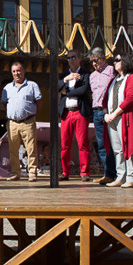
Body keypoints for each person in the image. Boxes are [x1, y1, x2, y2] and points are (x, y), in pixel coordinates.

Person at [104, 52, 133, 188]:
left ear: (125, 61)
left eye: (117, 60)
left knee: (129, 146)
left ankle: (131, 177)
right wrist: (106, 114)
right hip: (112, 118)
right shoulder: (114, 80)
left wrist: (115, 113)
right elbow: (105, 99)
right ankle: (120, 176)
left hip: (125, 117)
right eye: (114, 60)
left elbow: (131, 98)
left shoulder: (131, 78)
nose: (114, 62)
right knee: (117, 149)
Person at [1, 60, 41, 181]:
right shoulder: (7, 88)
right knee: (13, 150)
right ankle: (15, 173)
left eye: (18, 71)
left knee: (31, 148)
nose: (16, 73)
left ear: (23, 71)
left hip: (28, 121)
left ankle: (32, 172)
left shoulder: (32, 86)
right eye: (14, 71)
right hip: (12, 123)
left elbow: (39, 102)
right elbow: (4, 104)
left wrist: (31, 114)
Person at [58, 49, 93, 181]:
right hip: (66, 112)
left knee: (82, 143)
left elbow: (83, 90)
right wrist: (66, 79)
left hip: (80, 112)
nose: (71, 60)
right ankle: (65, 172)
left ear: (79, 59)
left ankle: (84, 172)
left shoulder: (85, 74)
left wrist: (66, 92)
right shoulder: (63, 75)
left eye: (73, 57)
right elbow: (55, 86)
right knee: (64, 144)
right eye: (68, 58)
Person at [88, 48, 117, 184]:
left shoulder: (112, 70)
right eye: (92, 61)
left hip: (109, 111)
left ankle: (117, 173)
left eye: (96, 60)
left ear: (103, 58)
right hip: (96, 112)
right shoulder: (92, 76)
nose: (94, 64)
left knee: (113, 142)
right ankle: (108, 174)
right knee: (101, 144)